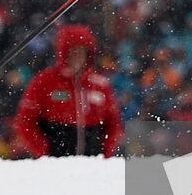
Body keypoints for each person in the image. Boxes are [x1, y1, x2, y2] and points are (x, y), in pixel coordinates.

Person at [14, 24, 124, 158]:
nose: (77, 57)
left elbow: (114, 123)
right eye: (73, 51)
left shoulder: (100, 84)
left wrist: (105, 152)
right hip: (55, 164)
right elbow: (25, 121)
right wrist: (45, 151)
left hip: (93, 164)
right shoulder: (44, 81)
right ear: (64, 52)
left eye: (81, 51)